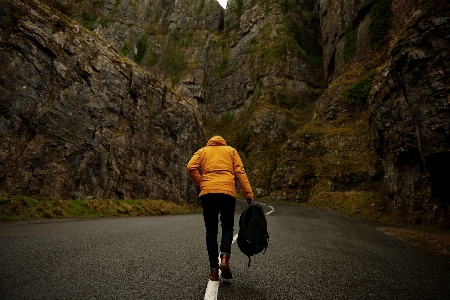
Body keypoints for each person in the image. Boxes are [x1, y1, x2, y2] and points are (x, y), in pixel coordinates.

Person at [187, 135, 254, 281]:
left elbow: (191, 167)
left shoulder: (202, 151)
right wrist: (248, 193)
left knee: (211, 231)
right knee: (227, 227)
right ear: (223, 142)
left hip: (208, 193)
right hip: (227, 193)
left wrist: (201, 183)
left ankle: (213, 271)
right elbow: (240, 172)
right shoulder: (231, 151)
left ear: (210, 143)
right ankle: (224, 257)